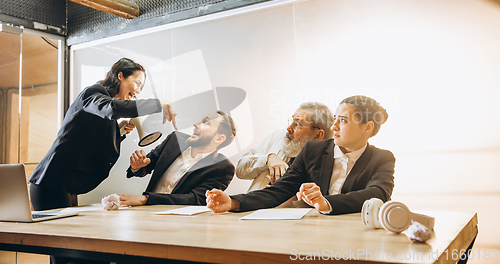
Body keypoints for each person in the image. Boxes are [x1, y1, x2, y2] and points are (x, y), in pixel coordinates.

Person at [29, 58, 178, 212]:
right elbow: (112, 108)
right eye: (137, 83)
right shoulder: (93, 92)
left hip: (66, 184)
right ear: (120, 75)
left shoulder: (103, 105)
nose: (138, 91)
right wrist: (158, 103)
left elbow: (89, 138)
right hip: (51, 182)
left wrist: (119, 131)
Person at [207, 95, 395, 215]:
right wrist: (233, 202)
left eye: (343, 120)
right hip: (312, 235)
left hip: (355, 235)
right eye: (335, 118)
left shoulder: (382, 158)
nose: (334, 126)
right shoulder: (313, 150)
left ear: (367, 127)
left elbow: (378, 194)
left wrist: (326, 202)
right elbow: (280, 190)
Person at [118, 111, 236, 206]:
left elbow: (195, 199)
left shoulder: (223, 168)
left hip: (179, 223)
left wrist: (146, 199)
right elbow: (147, 164)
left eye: (206, 123)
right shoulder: (174, 140)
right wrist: (136, 167)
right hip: (145, 211)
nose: (196, 124)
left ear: (219, 139)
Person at [236, 102, 333, 191]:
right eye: (291, 121)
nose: (289, 128)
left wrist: (280, 194)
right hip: (251, 207)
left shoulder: (329, 165)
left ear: (318, 135)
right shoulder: (280, 136)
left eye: (297, 124)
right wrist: (268, 158)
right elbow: (240, 170)